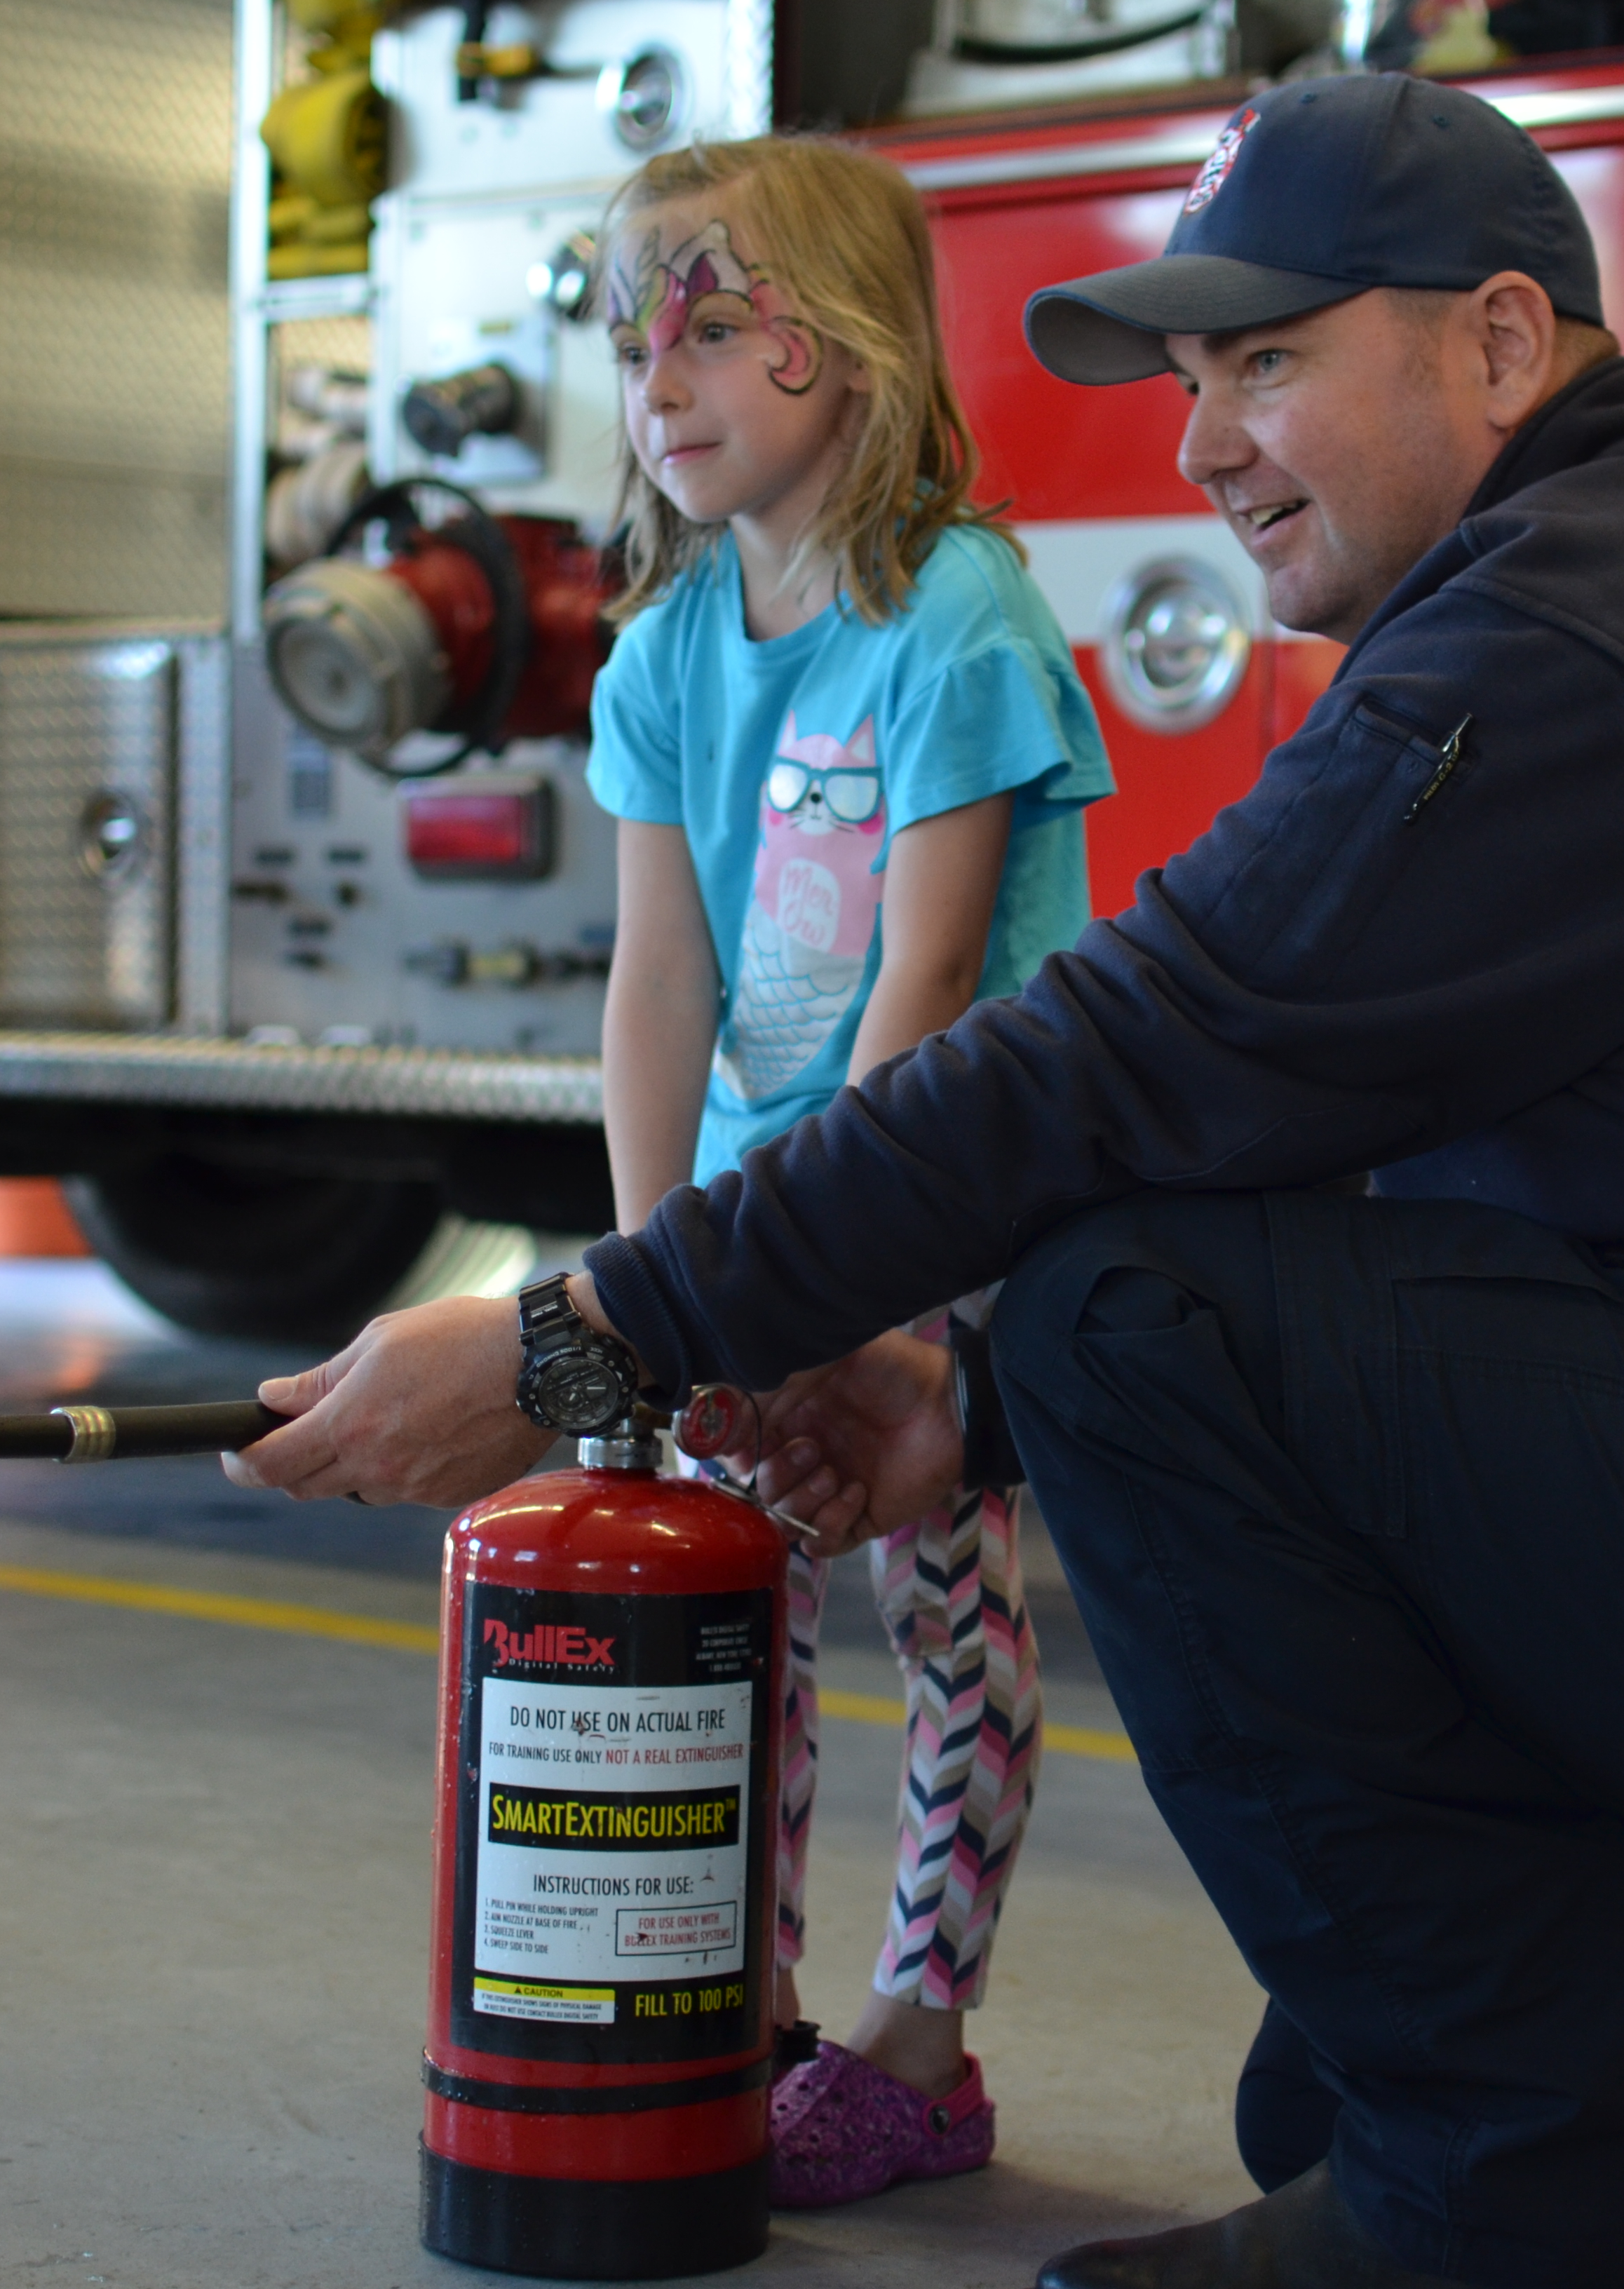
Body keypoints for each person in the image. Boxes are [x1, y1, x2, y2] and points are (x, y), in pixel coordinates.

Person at [226, 74, 1624, 2289]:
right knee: (1333, 2102)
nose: (1199, 442)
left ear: (1500, 340)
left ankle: (1501, 2196)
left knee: (1131, 1304)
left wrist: (586, 1329)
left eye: (1268, 365)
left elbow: (1119, 1056)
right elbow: (1412, 1174)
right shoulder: (1601, 592)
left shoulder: (1581, 633)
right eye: (1188, 379)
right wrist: (961, 1417)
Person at [586, 134, 1114, 2209]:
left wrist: (856, 1280)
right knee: (733, 1621)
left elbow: (943, 965)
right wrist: (658, 1287)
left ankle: (922, 2041)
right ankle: (736, 2004)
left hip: (940, 1215)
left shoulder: (951, 611)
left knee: (948, 1612)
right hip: (755, 1233)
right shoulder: (664, 654)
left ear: (855, 351)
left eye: (715, 331)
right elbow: (657, 980)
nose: (663, 386)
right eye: (637, 345)